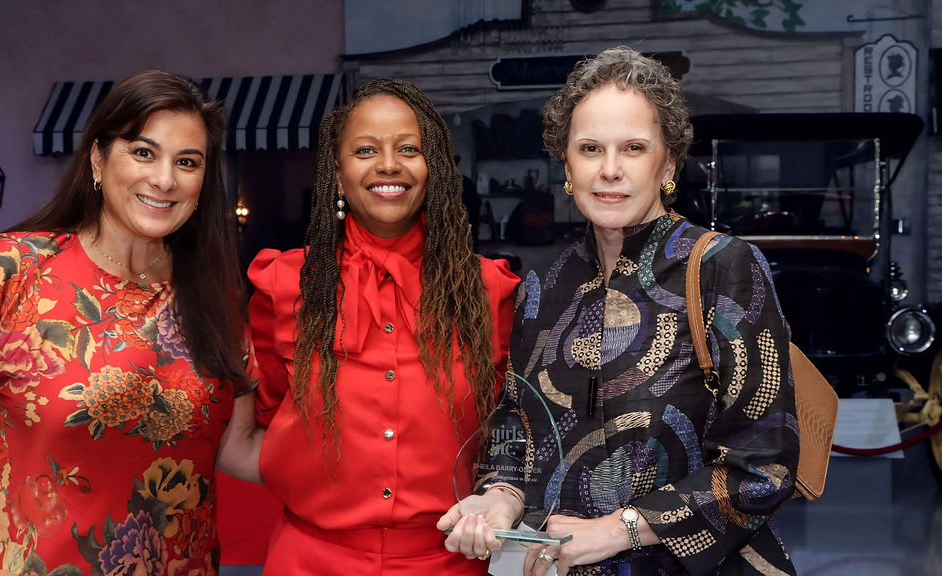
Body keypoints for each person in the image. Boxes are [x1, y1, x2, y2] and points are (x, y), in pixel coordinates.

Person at [439, 46, 800, 576]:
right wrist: (500, 497)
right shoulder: (544, 284)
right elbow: (517, 425)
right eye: (590, 149)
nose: (610, 170)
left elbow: (764, 466)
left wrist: (618, 530)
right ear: (566, 163)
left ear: (668, 162)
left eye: (633, 148)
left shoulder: (723, 268)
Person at [0, 70, 261, 576]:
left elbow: (240, 448)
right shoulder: (7, 270)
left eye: (187, 162)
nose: (165, 179)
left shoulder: (216, 298)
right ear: (98, 159)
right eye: (143, 152)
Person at [243, 78, 519, 575]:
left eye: (409, 149)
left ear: (435, 168)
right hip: (310, 561)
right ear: (338, 172)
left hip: (449, 561)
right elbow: (266, 415)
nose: (389, 165)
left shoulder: (488, 291)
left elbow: (509, 430)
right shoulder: (283, 285)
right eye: (366, 150)